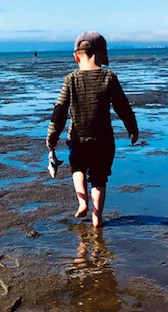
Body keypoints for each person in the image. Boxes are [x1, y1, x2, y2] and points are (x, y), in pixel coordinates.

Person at [46, 31, 138, 227]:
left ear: (76, 56)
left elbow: (59, 110)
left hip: (78, 139)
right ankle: (97, 218)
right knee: (99, 180)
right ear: (103, 55)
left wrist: (52, 136)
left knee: (77, 168)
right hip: (103, 140)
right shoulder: (109, 77)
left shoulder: (71, 79)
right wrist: (132, 128)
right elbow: (123, 106)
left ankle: (82, 202)